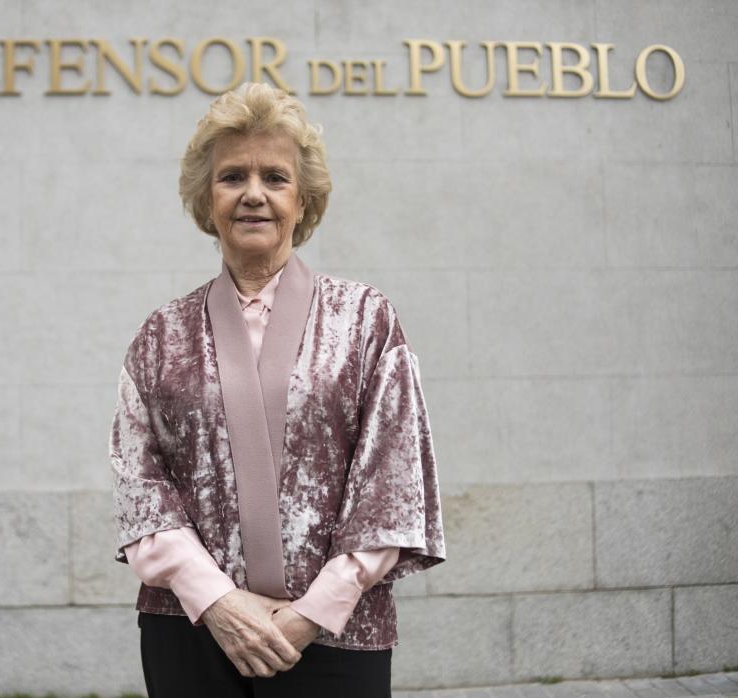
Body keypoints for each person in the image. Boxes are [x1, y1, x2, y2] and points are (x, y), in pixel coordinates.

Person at [110, 81, 446, 698]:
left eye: (275, 177)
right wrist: (217, 601)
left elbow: (391, 483)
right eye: (233, 176)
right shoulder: (161, 336)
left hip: (338, 634)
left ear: (304, 200)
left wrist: (310, 614)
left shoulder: (366, 320)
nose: (253, 195)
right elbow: (142, 483)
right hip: (191, 633)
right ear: (207, 199)